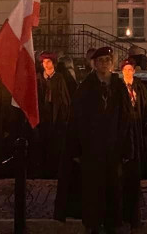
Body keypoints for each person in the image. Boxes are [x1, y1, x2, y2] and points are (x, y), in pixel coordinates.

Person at [55, 47, 132, 234]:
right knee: (92, 192)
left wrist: (126, 149)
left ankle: (113, 225)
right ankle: (93, 225)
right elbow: (76, 121)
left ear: (111, 63)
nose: (104, 63)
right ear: (95, 64)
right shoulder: (86, 88)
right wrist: (77, 150)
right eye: (101, 60)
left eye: (107, 60)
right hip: (91, 150)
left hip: (113, 150)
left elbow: (126, 119)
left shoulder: (119, 87)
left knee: (113, 190)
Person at [121, 57, 147, 229]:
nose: (128, 72)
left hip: (138, 127)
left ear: (133, 71)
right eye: (125, 70)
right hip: (126, 131)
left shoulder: (139, 88)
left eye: (130, 70)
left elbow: (145, 108)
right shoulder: (119, 89)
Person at [37, 51, 72, 179]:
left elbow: (64, 99)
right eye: (44, 62)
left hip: (56, 116)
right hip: (44, 115)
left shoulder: (59, 78)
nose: (46, 65)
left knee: (55, 145)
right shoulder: (39, 78)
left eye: (48, 62)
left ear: (53, 63)